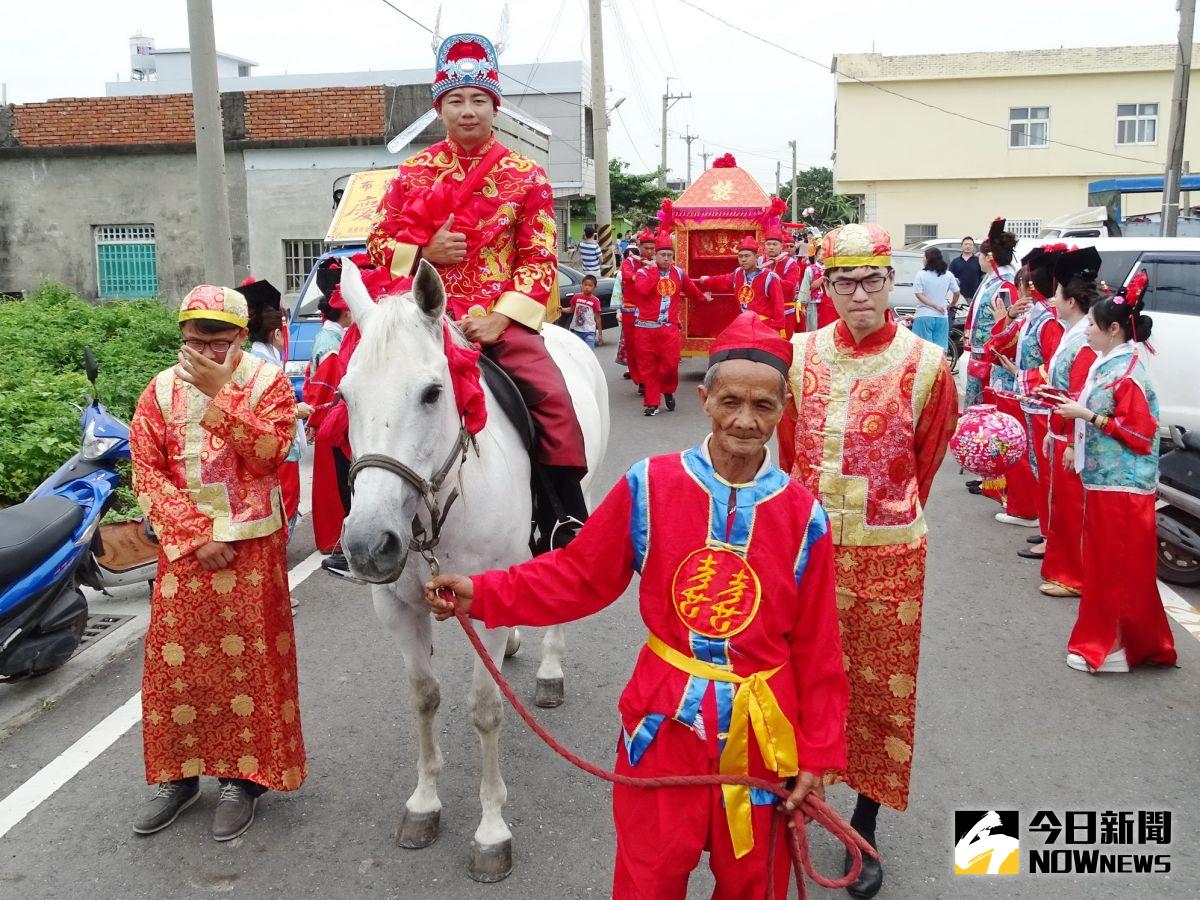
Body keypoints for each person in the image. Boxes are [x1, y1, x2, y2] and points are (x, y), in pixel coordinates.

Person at [425, 312, 849, 899]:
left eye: (763, 406)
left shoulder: (805, 516)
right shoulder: (650, 485)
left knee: (757, 885)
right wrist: (484, 592)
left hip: (764, 735)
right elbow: (578, 575)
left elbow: (819, 646)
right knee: (648, 880)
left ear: (784, 408)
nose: (745, 421)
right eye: (729, 401)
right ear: (704, 399)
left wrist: (818, 753)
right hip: (664, 725)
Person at [777, 223, 957, 899]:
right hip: (808, 552)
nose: (859, 295)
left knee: (880, 693)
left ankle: (864, 822)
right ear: (825, 285)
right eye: (844, 281)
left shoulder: (927, 364)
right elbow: (788, 451)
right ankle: (793, 796)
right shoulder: (799, 355)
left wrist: (884, 515)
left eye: (872, 280)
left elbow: (928, 459)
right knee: (794, 679)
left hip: (889, 558)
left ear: (891, 282)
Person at [367, 32, 589, 540]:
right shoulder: (412, 172)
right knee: (351, 393)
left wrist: (500, 317)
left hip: (496, 315)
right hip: (422, 315)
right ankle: (352, 526)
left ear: (496, 106)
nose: (468, 111)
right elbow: (376, 242)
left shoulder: (527, 176)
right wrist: (424, 253)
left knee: (552, 397)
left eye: (479, 101)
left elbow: (539, 258)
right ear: (439, 108)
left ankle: (563, 515)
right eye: (455, 101)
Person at [129, 284, 306, 841]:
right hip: (189, 552)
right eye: (194, 341)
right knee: (175, 671)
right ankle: (177, 779)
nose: (204, 353)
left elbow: (270, 455)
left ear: (242, 337)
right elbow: (147, 471)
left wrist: (223, 395)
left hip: (253, 548)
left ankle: (242, 780)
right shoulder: (158, 392)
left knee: (250, 666)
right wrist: (193, 535)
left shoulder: (267, 383)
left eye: (218, 342)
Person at [1050, 278, 1177, 674]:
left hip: (1123, 486)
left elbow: (1140, 433)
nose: (1085, 329)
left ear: (1114, 330)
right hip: (1107, 481)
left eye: (1092, 323)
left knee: (1113, 570)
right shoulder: (1112, 362)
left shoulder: (1128, 369)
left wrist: (1086, 415)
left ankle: (1110, 649)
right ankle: (1134, 643)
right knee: (1113, 568)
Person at [1037, 247, 1101, 598]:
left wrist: (1072, 440)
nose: (1054, 300)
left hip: (1073, 432)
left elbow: (1081, 391)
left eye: (1058, 294)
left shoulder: (1083, 339)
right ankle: (1065, 571)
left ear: (1071, 301)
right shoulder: (1074, 332)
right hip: (1062, 428)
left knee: (1073, 508)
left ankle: (1074, 576)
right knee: (1063, 506)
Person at [1011, 244, 1068, 559]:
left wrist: (1028, 379)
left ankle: (1052, 535)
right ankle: (1046, 530)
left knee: (1046, 472)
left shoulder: (1048, 321)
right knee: (1039, 469)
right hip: (1032, 403)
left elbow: (1052, 366)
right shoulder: (1036, 315)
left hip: (1042, 405)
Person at [243, 279, 312, 539]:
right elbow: (265, 410)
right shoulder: (267, 367)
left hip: (266, 450)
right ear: (277, 333)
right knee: (286, 503)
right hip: (279, 449)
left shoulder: (253, 360)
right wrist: (296, 411)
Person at [633, 233, 708, 416]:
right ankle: (651, 402)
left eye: (669, 255)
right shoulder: (643, 272)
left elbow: (692, 291)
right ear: (655, 256)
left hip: (669, 329)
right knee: (648, 367)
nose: (666, 259)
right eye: (662, 255)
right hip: (645, 329)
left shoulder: (678, 273)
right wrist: (652, 271)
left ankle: (667, 390)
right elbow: (642, 290)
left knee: (670, 365)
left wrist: (704, 298)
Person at [963, 219, 1018, 410]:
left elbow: (1011, 324)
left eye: (981, 254)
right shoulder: (991, 281)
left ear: (990, 257)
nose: (978, 257)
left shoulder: (1005, 286)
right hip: (979, 358)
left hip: (992, 359)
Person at [698, 236, 786, 333]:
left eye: (747, 256)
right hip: (744, 325)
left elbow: (778, 305)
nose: (743, 260)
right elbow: (723, 280)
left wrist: (778, 329)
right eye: (740, 256)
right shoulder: (738, 273)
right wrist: (707, 280)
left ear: (756, 257)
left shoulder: (770, 277)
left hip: (764, 327)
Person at [620, 229, 657, 387]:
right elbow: (632, 277)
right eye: (646, 248)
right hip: (631, 310)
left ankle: (651, 377)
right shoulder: (629, 262)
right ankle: (640, 379)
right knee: (633, 346)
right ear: (639, 246)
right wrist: (646, 266)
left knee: (651, 347)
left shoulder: (657, 261)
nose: (649, 251)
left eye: (652, 248)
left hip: (651, 310)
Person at [911, 247, 959, 350]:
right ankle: (940, 366)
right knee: (940, 350)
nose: (923, 259)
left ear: (929, 259)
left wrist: (934, 306)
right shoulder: (948, 275)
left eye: (924, 257)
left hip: (924, 315)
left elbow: (919, 294)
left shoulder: (921, 275)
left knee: (922, 350)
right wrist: (952, 304)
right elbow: (957, 292)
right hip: (942, 317)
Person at [760, 227, 804, 335]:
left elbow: (789, 286)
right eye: (768, 244)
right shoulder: (759, 261)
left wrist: (771, 280)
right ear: (764, 246)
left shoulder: (790, 263)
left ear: (781, 246)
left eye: (774, 244)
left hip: (785, 311)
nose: (771, 247)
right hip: (763, 312)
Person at [568, 274, 605, 349]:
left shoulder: (595, 301)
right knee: (578, 352)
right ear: (582, 285)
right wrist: (562, 309)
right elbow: (571, 309)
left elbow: (598, 319)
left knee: (589, 351)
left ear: (595, 287)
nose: (587, 287)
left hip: (589, 331)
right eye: (585, 285)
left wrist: (600, 336)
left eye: (590, 285)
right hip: (576, 330)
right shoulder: (576, 297)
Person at [798, 245, 829, 332]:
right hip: (813, 303)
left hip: (828, 304)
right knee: (813, 328)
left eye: (824, 254)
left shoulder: (831, 269)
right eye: (820, 253)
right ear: (816, 255)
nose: (822, 256)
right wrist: (803, 305)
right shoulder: (810, 269)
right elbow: (806, 287)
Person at [948, 237, 983, 308]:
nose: (968, 246)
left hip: (974, 296)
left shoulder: (978, 261)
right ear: (961, 246)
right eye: (966, 244)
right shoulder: (955, 261)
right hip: (959, 297)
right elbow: (950, 278)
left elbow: (983, 276)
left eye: (970, 245)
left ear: (973, 247)